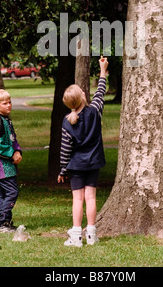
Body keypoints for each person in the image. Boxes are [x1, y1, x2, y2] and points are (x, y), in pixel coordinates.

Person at [58, 57, 108, 247]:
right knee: (91, 198)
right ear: (83, 97)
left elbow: (65, 149)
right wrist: (102, 70)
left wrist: (63, 169)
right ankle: (91, 234)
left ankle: (76, 236)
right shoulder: (95, 111)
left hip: (76, 165)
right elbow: (101, 93)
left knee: (77, 199)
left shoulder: (66, 121)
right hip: (94, 163)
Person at [0, 89, 22, 233]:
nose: (8, 105)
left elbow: (13, 139)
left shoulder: (7, 120)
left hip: (9, 164)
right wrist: (11, 153)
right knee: (12, 192)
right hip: (1, 165)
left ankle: (5, 222)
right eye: (4, 103)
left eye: (9, 102)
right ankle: (2, 223)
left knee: (5, 193)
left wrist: (18, 151)